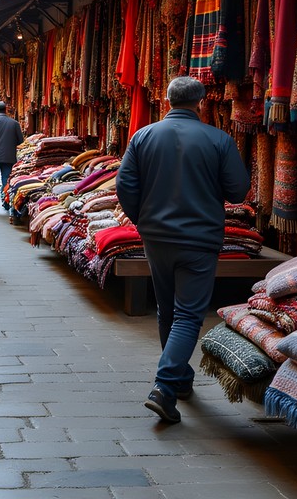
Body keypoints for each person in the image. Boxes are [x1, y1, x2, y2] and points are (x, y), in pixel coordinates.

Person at [115, 76, 250, 423]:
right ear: (201, 102)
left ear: (166, 100)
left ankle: (180, 379)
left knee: (167, 310)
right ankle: (165, 386)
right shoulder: (219, 139)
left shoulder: (143, 136)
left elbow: (125, 185)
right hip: (199, 238)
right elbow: (237, 191)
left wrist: (143, 219)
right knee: (189, 314)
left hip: (156, 237)